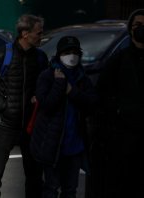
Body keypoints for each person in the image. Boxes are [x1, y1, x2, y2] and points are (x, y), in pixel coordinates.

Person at [0, 14, 47, 198]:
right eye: (38, 33)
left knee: (34, 177)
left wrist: (39, 97)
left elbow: (44, 87)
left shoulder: (41, 57)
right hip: (5, 125)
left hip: (31, 126)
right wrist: (5, 107)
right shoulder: (3, 54)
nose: (41, 36)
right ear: (25, 33)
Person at [29, 36, 98, 198]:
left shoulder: (82, 77)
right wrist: (60, 85)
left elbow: (93, 102)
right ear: (59, 54)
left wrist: (72, 92)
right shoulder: (48, 75)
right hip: (53, 145)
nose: (72, 56)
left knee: (70, 190)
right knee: (51, 188)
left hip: (75, 146)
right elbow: (46, 105)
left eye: (75, 52)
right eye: (67, 52)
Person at [96, 9, 144, 198]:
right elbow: (103, 92)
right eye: (137, 25)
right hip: (125, 135)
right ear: (130, 30)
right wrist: (118, 112)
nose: (141, 29)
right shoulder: (119, 59)